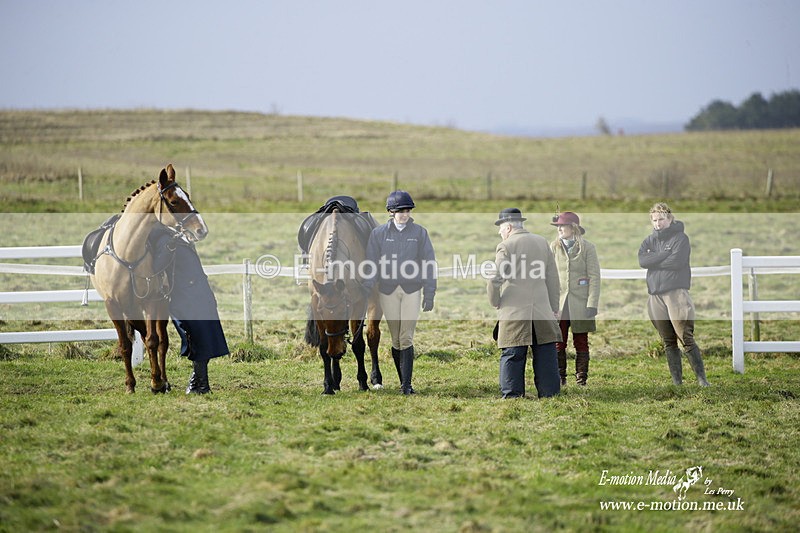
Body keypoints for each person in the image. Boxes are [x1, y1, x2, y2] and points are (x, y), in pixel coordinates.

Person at [362, 190, 436, 395]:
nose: (404, 214)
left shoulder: (420, 233)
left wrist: (430, 293)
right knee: (395, 339)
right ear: (391, 212)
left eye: (407, 210)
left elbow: (429, 263)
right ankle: (403, 380)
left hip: (412, 290)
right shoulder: (378, 234)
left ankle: (407, 385)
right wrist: (367, 286)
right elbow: (371, 263)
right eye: (399, 210)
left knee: (406, 337)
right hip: (388, 291)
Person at [487, 208, 561, 398]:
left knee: (513, 353)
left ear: (509, 227)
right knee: (545, 351)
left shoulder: (506, 246)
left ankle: (512, 396)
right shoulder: (542, 242)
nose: (499, 233)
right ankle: (550, 394)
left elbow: (496, 277)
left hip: (514, 308)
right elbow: (553, 278)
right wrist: (553, 308)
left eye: (501, 228)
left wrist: (495, 300)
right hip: (542, 307)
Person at [150, 226, 229, 394]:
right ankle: (198, 384)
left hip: (200, 297)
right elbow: (157, 267)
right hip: (185, 300)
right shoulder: (166, 240)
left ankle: (200, 384)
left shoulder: (182, 238)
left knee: (205, 341)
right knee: (196, 341)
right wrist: (168, 248)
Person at [638, 202, 709, 386]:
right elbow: (642, 260)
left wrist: (655, 259)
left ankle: (702, 379)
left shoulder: (681, 238)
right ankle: (677, 383)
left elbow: (677, 262)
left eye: (661, 219)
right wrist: (663, 255)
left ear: (669, 218)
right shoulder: (649, 240)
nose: (657, 224)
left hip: (675, 293)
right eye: (654, 220)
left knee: (685, 336)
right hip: (655, 295)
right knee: (668, 340)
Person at [549, 211, 601, 386]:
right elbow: (548, 276)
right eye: (558, 226)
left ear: (573, 228)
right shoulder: (553, 247)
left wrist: (592, 303)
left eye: (562, 226)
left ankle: (581, 380)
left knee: (581, 342)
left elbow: (594, 277)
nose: (559, 229)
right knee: (558, 342)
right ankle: (560, 379)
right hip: (559, 304)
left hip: (581, 303)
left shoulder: (588, 248)